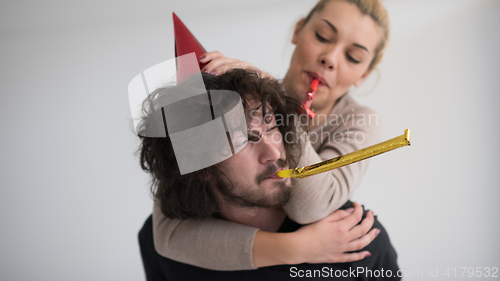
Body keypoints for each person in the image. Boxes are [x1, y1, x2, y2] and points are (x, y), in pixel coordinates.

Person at [150, 0, 394, 270]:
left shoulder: (359, 122)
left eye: (353, 57)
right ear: (297, 30)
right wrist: (298, 248)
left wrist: (279, 101)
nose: (330, 58)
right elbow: (166, 233)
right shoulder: (244, 96)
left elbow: (311, 207)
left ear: (364, 74)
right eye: (322, 37)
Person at [138, 69, 400, 280]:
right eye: (246, 139)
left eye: (273, 127)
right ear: (202, 166)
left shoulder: (354, 237)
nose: (274, 152)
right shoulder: (159, 244)